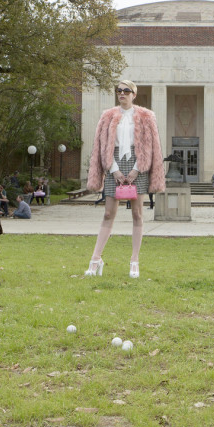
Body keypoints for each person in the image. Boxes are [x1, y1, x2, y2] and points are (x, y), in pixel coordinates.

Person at [83, 80, 165, 279]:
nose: (122, 93)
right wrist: (114, 170)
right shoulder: (108, 116)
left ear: (134, 94)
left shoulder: (147, 116)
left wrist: (137, 169)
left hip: (138, 164)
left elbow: (151, 145)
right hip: (115, 164)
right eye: (119, 90)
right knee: (108, 213)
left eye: (126, 90)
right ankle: (95, 260)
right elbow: (101, 145)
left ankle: (134, 261)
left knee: (137, 214)